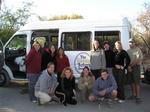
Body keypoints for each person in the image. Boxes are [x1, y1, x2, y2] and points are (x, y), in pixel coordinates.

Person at [25, 37, 46, 103]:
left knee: (36, 85)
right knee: (32, 85)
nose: (38, 46)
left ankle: (35, 96)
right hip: (32, 72)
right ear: (34, 45)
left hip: (37, 72)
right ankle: (32, 98)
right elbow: (27, 62)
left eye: (39, 45)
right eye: (36, 45)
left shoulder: (38, 52)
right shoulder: (32, 51)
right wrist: (29, 70)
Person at [127, 39, 143, 104]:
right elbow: (126, 60)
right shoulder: (128, 51)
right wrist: (128, 67)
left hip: (136, 67)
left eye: (131, 42)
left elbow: (137, 59)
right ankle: (133, 95)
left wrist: (130, 65)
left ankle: (138, 97)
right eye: (129, 42)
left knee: (137, 82)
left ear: (134, 43)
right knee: (132, 82)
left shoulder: (138, 50)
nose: (130, 44)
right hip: (129, 67)